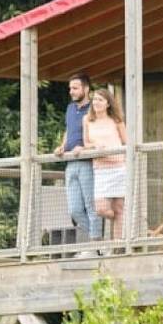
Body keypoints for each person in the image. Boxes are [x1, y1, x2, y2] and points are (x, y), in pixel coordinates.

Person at [55, 74, 104, 243]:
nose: (71, 91)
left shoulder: (94, 108)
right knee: (74, 210)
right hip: (70, 162)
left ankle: (96, 246)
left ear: (86, 89)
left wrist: (84, 148)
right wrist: (62, 146)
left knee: (91, 206)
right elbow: (68, 130)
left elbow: (100, 134)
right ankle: (98, 242)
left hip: (88, 162)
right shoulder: (70, 108)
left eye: (75, 88)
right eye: (70, 88)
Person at [84, 87, 128, 241]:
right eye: (94, 99)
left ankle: (118, 246)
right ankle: (118, 218)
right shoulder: (87, 120)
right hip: (100, 169)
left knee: (119, 208)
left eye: (100, 100)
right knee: (101, 209)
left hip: (118, 167)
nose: (96, 102)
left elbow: (126, 142)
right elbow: (86, 143)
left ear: (108, 104)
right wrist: (95, 146)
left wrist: (122, 157)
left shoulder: (116, 120)